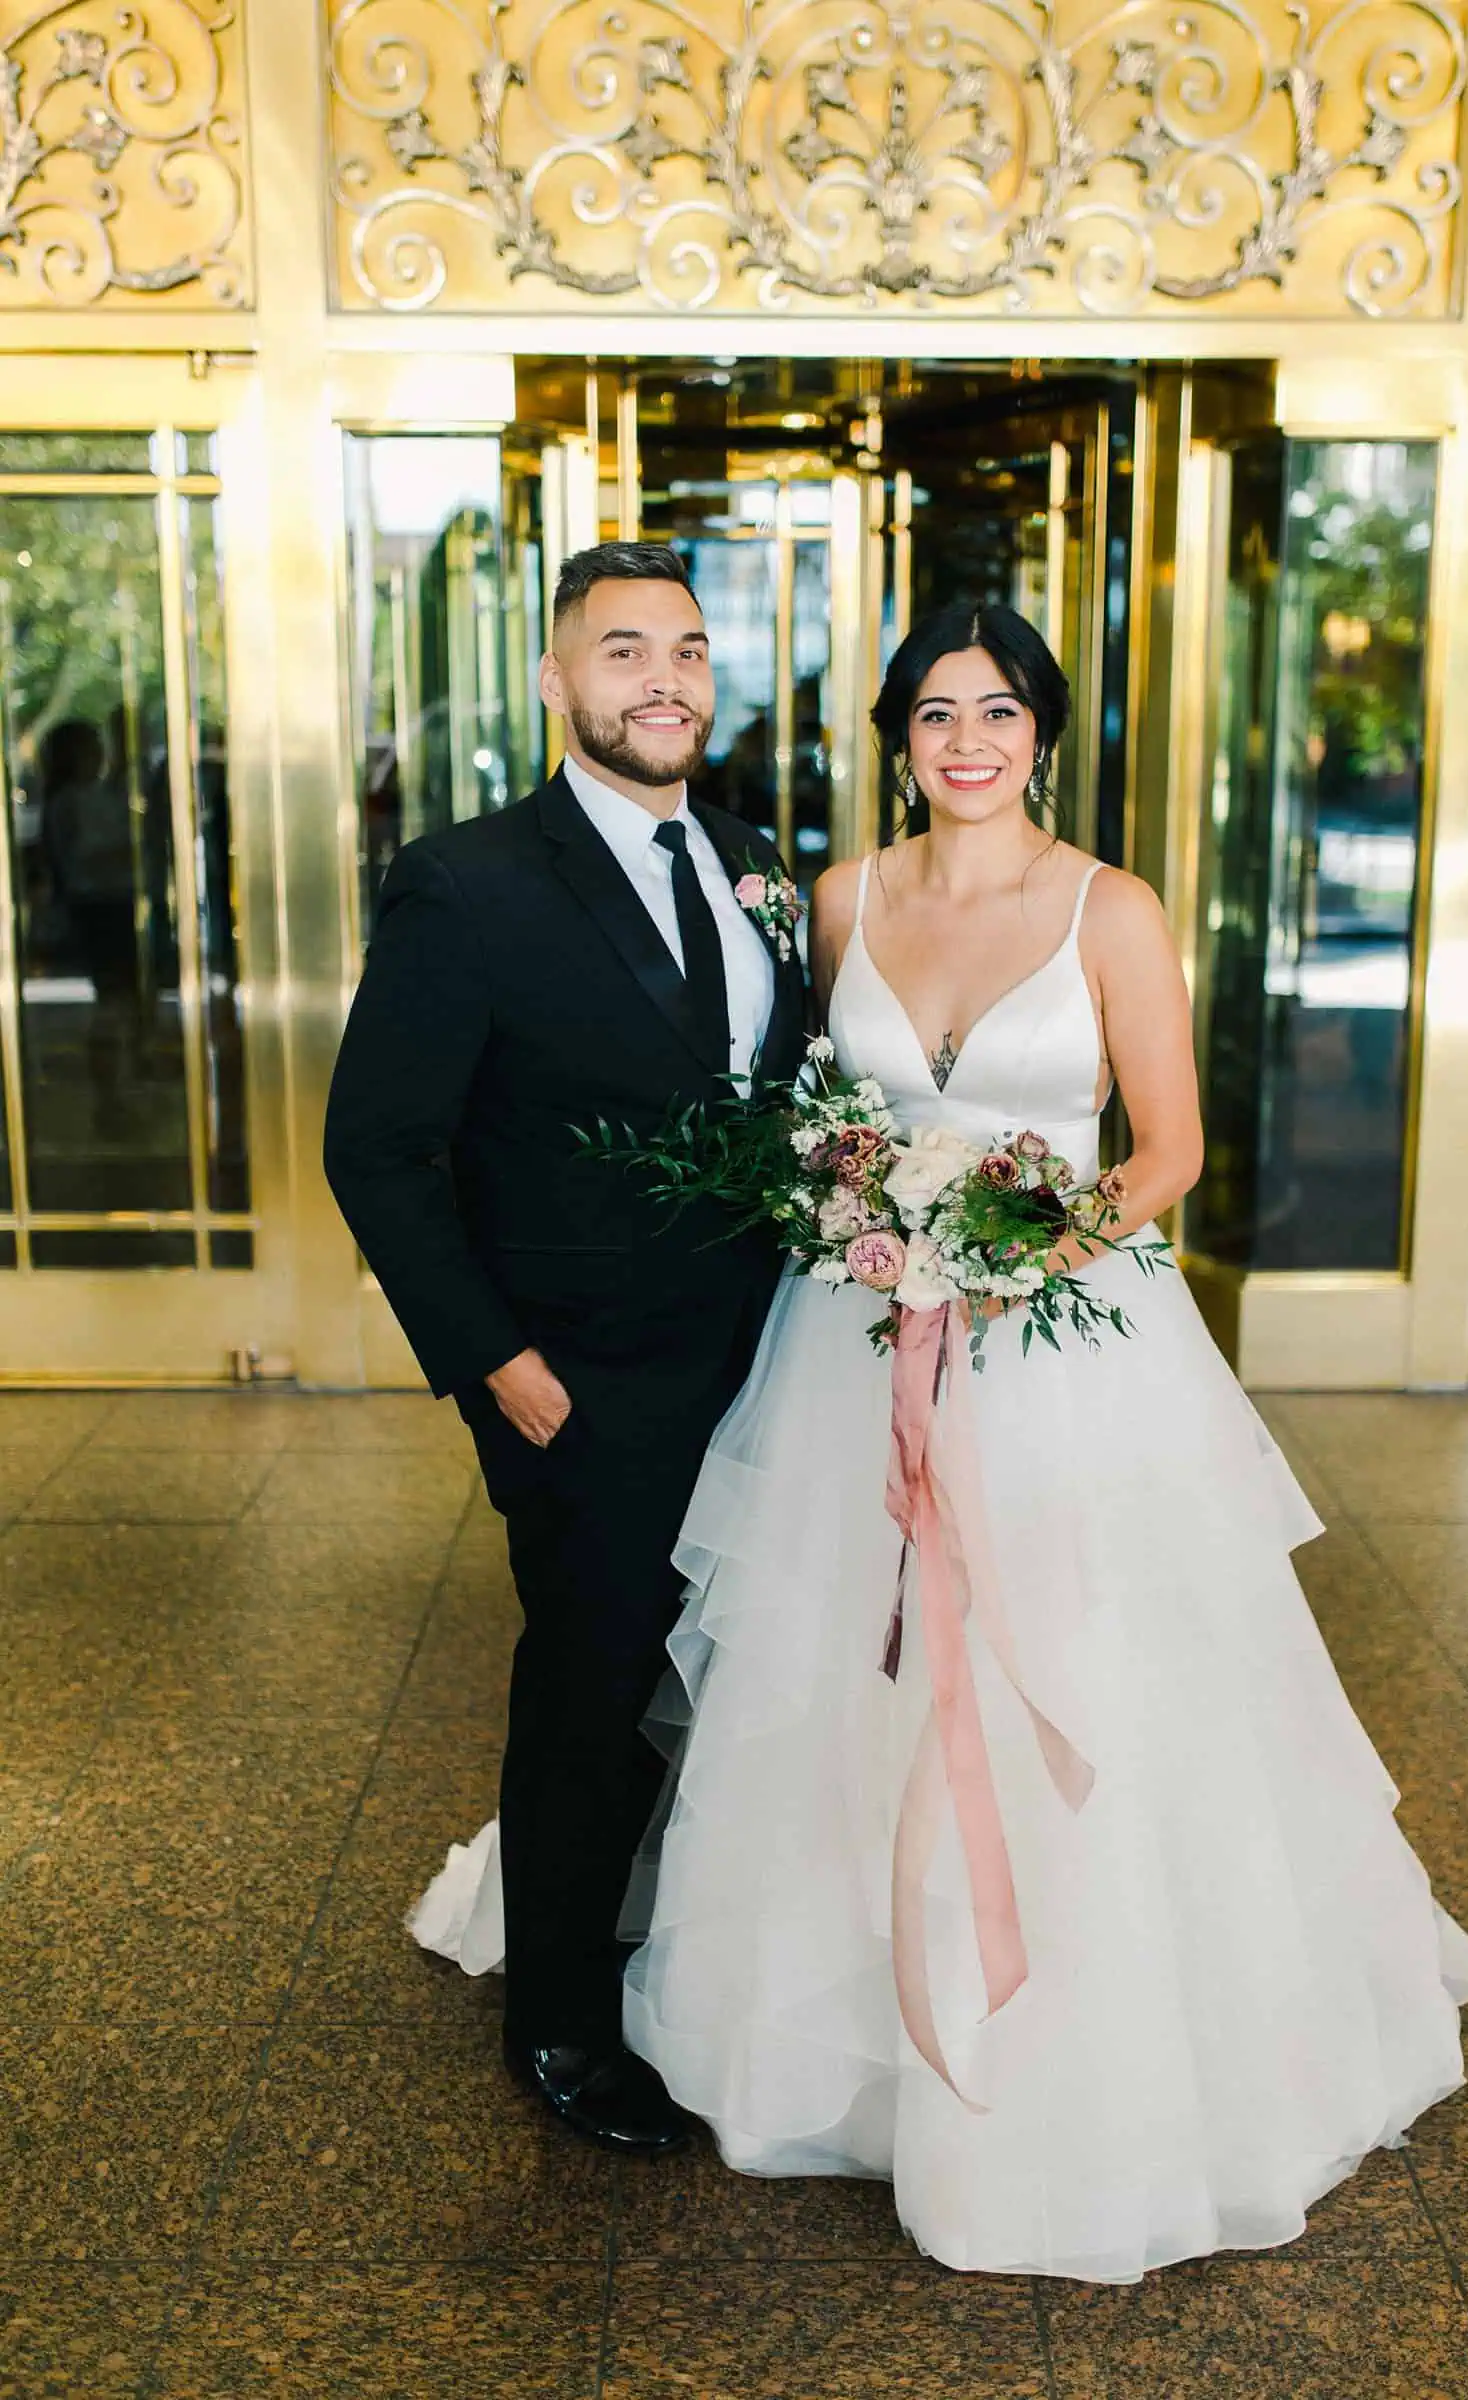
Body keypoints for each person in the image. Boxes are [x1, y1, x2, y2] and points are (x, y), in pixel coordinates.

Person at [618, 603, 1468, 2276]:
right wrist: (874, 1222)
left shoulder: (1113, 906)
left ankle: (1094, 2053)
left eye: (1000, 712)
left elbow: (1167, 1149)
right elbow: (828, 1118)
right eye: (937, 710)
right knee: (841, 1675)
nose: (968, 740)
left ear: (1043, 735)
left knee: (1090, 1664)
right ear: (895, 734)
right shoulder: (843, 902)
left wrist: (1018, 1260)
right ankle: (848, 2047)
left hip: (1068, 1342)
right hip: (857, 1342)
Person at [323, 541, 807, 2157]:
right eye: (621, 653)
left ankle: (692, 1950)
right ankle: (560, 2024)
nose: (661, 679)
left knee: (727, 1676)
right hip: (577, 1382)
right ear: (554, 680)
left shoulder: (755, 863)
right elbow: (379, 1148)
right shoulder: (470, 884)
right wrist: (497, 1367)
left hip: (770, 1359)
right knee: (593, 1682)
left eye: (684, 650)